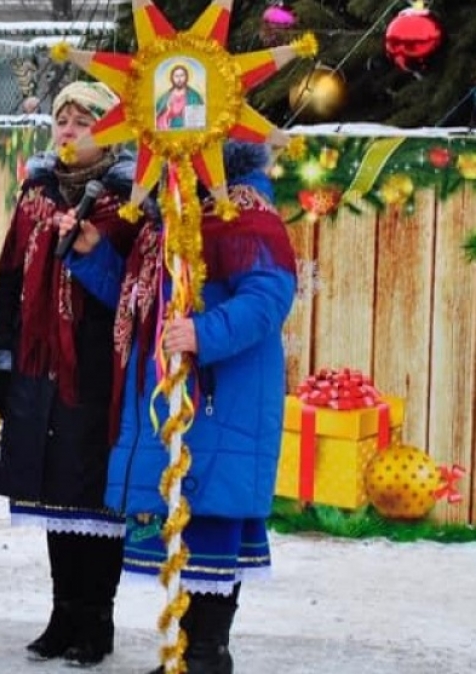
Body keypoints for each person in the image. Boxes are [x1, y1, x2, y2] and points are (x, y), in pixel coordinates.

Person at [63, 142, 296, 674]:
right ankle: (189, 657)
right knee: (183, 537)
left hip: (218, 401)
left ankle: (206, 656)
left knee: (210, 529)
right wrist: (94, 255)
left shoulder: (242, 212)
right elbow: (140, 304)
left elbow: (271, 295)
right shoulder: (164, 216)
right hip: (171, 401)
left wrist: (203, 333)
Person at [0, 81, 139, 666]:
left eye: (83, 121)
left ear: (111, 131)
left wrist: (94, 251)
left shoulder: (129, 201)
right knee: (55, 500)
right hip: (37, 367)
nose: (69, 130)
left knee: (94, 503)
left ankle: (97, 620)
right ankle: (62, 611)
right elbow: (9, 278)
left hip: (96, 370)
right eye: (62, 120)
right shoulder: (34, 196)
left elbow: (132, 290)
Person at [155, 64, 206, 130]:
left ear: (186, 77)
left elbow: (200, 119)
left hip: (189, 131)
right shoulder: (166, 97)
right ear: (172, 78)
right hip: (169, 130)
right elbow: (158, 116)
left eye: (182, 75)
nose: (179, 79)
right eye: (176, 76)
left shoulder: (194, 95)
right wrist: (168, 111)